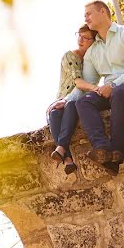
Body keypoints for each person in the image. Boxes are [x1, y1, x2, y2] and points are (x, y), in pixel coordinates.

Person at [75, 0, 124, 176]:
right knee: (83, 102)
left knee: (119, 92)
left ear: (103, 12)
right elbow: (88, 82)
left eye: (89, 13)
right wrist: (64, 101)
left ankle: (116, 152)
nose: (85, 17)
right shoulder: (92, 51)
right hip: (111, 91)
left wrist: (113, 85)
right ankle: (102, 148)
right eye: (84, 15)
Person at [47, 24, 98, 175]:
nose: (81, 40)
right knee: (55, 113)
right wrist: (96, 89)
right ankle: (67, 158)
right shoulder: (70, 56)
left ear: (93, 41)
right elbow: (78, 82)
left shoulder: (92, 59)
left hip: (76, 100)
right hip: (63, 97)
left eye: (86, 37)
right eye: (79, 35)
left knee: (72, 105)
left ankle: (63, 151)